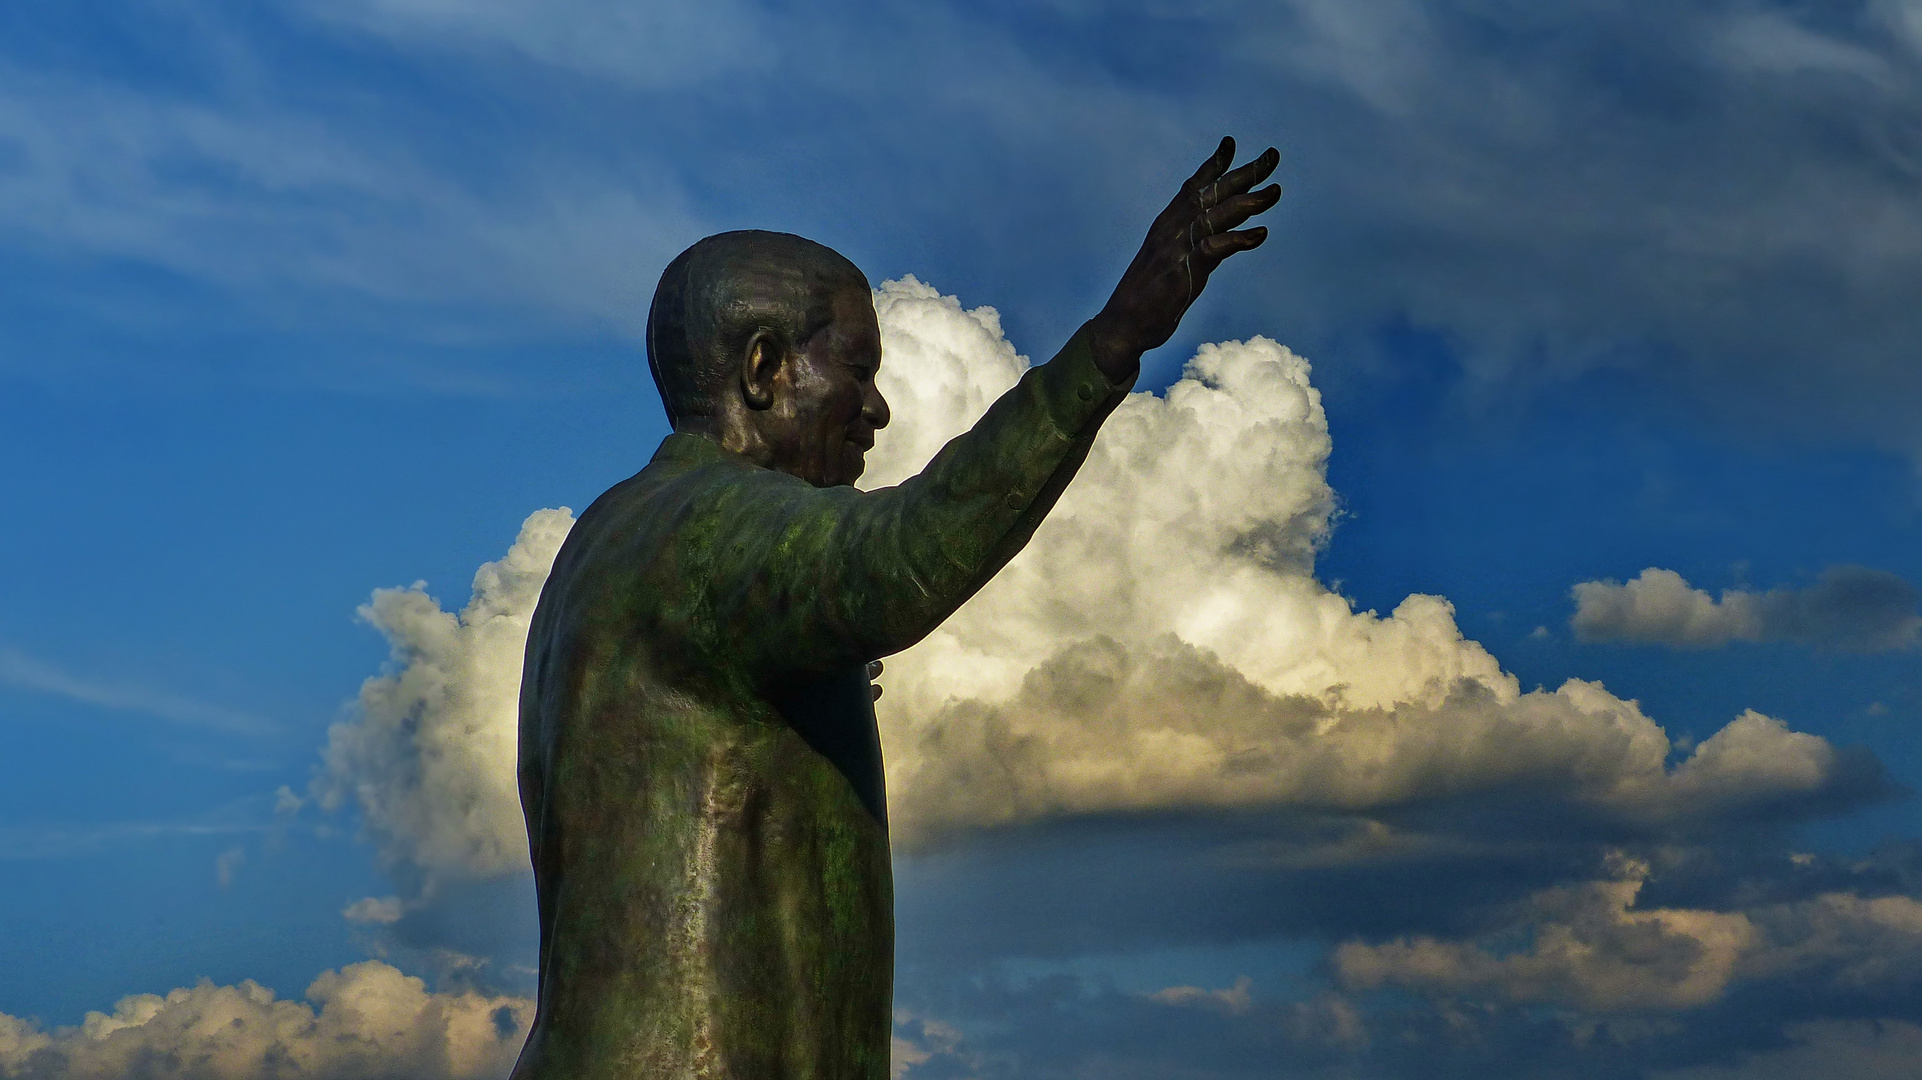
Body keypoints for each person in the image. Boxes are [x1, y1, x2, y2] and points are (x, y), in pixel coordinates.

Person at [511, 138, 1280, 1080]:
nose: (876, 411)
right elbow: (901, 558)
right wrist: (1117, 339)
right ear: (764, 369)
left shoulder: (612, 545)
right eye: (857, 369)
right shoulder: (707, 527)